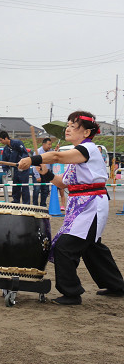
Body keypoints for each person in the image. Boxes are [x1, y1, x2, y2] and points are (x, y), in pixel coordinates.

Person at [18, 111, 124, 305]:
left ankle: (71, 293)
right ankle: (116, 285)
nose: (68, 129)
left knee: (65, 247)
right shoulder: (77, 155)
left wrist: (34, 160)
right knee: (92, 247)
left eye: (73, 126)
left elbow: (57, 156)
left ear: (86, 132)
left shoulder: (88, 149)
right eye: (67, 125)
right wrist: (47, 174)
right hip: (81, 205)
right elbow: (64, 184)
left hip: (91, 204)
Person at [0, 131, 30, 204]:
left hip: (23, 168)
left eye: (1, 140)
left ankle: (26, 203)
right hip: (14, 169)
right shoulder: (6, 149)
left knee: (24, 186)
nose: (0, 142)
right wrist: (6, 171)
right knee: (15, 185)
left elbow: (25, 153)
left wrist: (21, 163)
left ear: (6, 138)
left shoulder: (17, 143)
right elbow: (4, 161)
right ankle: (16, 201)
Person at [32, 137, 53, 207]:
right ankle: (35, 205)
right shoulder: (37, 152)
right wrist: (37, 176)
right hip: (38, 173)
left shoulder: (50, 152)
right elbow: (34, 165)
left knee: (45, 190)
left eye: (50, 144)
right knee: (37, 189)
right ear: (43, 144)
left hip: (46, 173)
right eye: (48, 144)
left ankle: (43, 205)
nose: (50, 146)